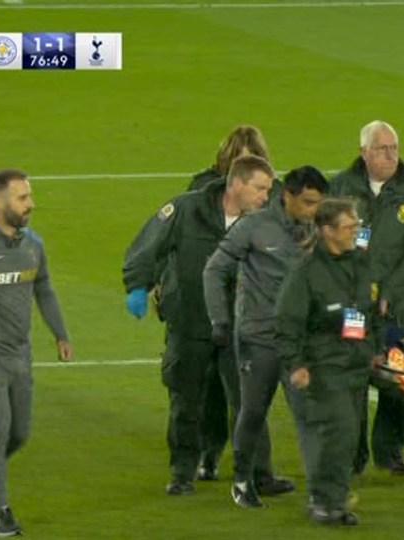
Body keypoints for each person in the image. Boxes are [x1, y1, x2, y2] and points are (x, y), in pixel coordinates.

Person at [122, 155, 274, 496]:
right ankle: (182, 473)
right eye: (260, 188)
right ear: (236, 184)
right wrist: (137, 286)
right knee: (186, 399)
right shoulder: (186, 210)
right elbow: (148, 246)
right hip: (190, 319)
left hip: (239, 325)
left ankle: (260, 475)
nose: (266, 196)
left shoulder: (266, 221)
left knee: (249, 402)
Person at [203, 165, 329, 508]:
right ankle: (244, 481)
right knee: (254, 411)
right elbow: (215, 269)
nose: (313, 210)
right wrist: (220, 320)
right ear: (287, 196)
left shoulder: (320, 228)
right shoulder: (254, 226)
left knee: (309, 415)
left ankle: (322, 492)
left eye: (318, 203)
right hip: (259, 339)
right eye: (307, 202)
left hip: (299, 343)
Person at [0, 169, 74, 537]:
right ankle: (1, 515)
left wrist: (60, 334)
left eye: (30, 196)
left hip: (19, 354)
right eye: (23, 198)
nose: (31, 204)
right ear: (0, 202)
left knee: (19, 434)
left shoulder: (32, 245)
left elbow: (45, 288)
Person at [330, 120, 404, 476]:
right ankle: (353, 455)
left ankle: (391, 454)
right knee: (355, 373)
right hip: (353, 305)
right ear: (364, 153)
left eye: (394, 148)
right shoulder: (341, 188)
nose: (391, 155)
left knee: (396, 375)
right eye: (382, 149)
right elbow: (330, 244)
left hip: (397, 304)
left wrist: (387, 292)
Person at [275, 198, 384, 527]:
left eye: (356, 226)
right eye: (349, 227)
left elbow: (372, 309)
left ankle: (330, 499)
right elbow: (287, 322)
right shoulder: (306, 273)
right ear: (327, 231)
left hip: (356, 364)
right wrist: (296, 364)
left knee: (348, 439)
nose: (356, 232)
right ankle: (327, 503)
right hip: (324, 367)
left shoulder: (361, 264)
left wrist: (376, 348)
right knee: (339, 433)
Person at [186, 125, 273, 477]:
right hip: (210, 303)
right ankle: (209, 454)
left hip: (252, 306)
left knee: (246, 390)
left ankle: (256, 469)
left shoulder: (270, 195)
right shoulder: (201, 190)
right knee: (210, 389)